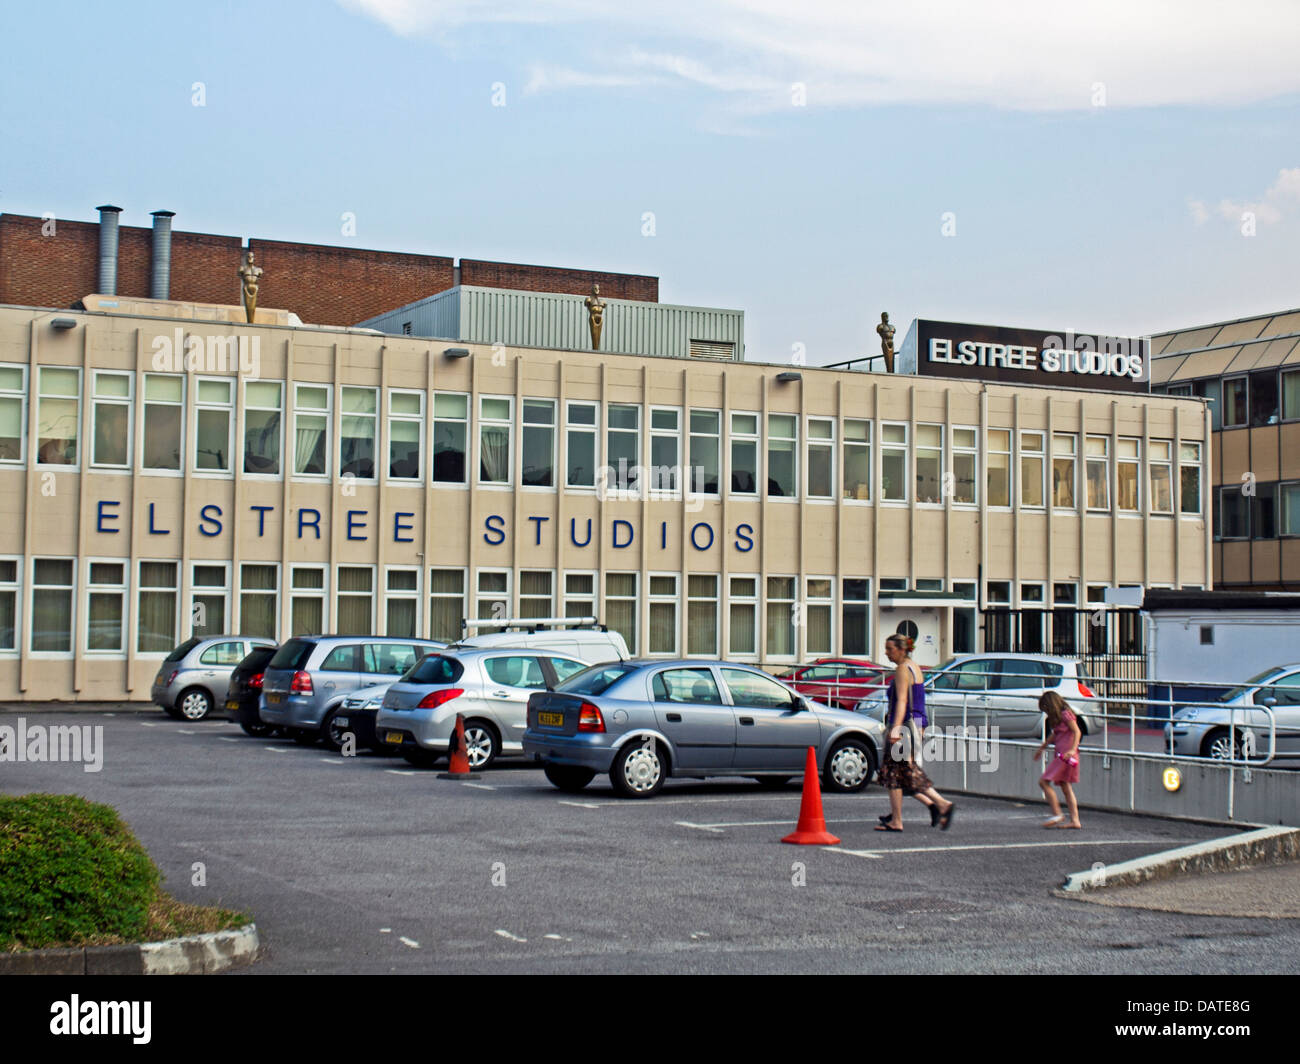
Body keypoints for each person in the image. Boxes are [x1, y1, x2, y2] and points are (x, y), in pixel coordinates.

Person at [875, 633, 955, 832]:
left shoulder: (902, 669)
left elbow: (902, 701)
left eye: (890, 649)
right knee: (906, 772)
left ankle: (902, 819)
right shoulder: (914, 666)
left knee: (894, 773)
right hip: (916, 725)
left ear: (902, 649)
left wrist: (894, 729)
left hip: (903, 727)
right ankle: (938, 805)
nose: (886, 653)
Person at [1033, 690, 1082, 828]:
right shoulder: (1059, 717)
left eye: (1046, 709)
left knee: (1043, 782)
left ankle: (1057, 813)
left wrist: (1072, 749)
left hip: (1065, 755)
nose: (1047, 712)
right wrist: (1042, 747)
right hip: (1063, 754)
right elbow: (1055, 735)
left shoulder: (1066, 714)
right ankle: (1075, 820)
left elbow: (1077, 731)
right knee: (1066, 786)